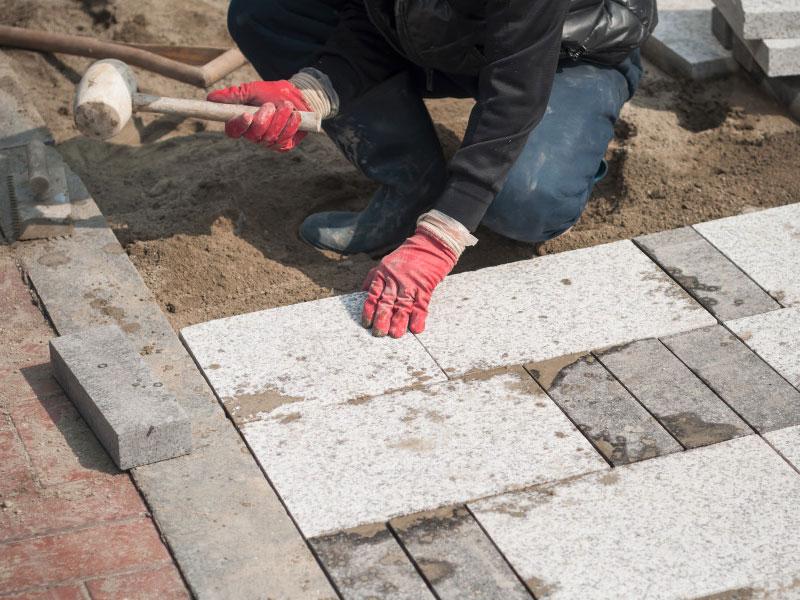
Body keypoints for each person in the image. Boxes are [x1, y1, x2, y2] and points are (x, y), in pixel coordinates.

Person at [208, 0, 655, 338]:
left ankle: (568, 156)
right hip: (443, 34)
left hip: (566, 49)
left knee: (524, 202)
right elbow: (371, 16)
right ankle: (411, 181)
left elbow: (515, 89)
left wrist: (441, 238)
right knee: (266, 10)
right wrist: (312, 90)